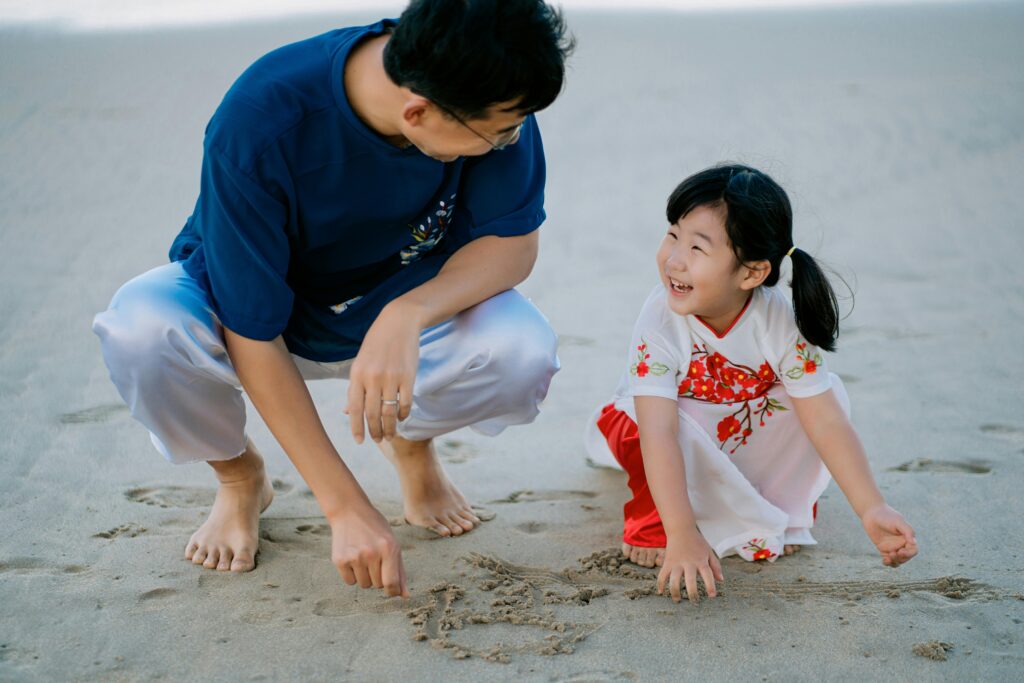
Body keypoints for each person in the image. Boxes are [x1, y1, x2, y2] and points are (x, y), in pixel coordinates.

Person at [92, 0, 573, 599]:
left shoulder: (486, 84)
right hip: (261, 313)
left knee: (520, 351)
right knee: (141, 328)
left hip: (397, 301)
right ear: (417, 113)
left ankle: (411, 445)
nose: (513, 138)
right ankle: (240, 476)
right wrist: (345, 509)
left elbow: (513, 246)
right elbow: (251, 326)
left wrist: (407, 313)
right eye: (502, 130)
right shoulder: (262, 119)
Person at [584, 164, 918, 603]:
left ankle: (780, 505)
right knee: (646, 425)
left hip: (735, 424)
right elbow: (658, 434)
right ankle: (656, 518)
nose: (674, 259)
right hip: (661, 428)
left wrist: (871, 507)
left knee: (819, 398)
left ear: (751, 273)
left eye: (697, 248)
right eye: (672, 235)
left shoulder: (777, 318)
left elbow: (827, 425)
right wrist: (681, 535)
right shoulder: (660, 319)